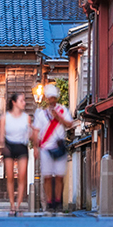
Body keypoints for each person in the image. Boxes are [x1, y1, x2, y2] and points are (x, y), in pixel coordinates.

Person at [33, 83, 74, 214]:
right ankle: (50, 203)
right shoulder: (41, 113)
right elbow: (36, 131)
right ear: (46, 98)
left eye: (53, 98)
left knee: (59, 176)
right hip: (45, 147)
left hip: (59, 145)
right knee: (47, 176)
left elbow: (70, 124)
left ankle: (58, 202)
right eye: (49, 98)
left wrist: (58, 118)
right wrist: (35, 147)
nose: (51, 100)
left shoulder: (62, 110)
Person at [0, 93, 32, 216]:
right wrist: (0, 146)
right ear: (14, 102)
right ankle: (12, 204)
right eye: (22, 100)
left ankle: (18, 205)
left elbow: (30, 133)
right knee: (10, 177)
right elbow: (1, 135)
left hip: (22, 146)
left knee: (22, 176)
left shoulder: (26, 117)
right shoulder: (5, 117)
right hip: (9, 145)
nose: (24, 103)